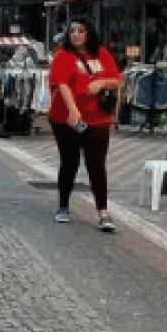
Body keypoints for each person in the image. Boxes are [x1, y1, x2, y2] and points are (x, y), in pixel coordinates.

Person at [47, 18, 122, 232]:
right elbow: (61, 84)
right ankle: (63, 206)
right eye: (72, 31)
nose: (76, 35)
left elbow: (116, 79)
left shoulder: (102, 53)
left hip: (98, 117)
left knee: (96, 164)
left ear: (89, 33)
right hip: (65, 118)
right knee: (69, 161)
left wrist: (101, 83)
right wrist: (73, 110)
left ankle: (103, 212)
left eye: (81, 30)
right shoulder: (63, 55)